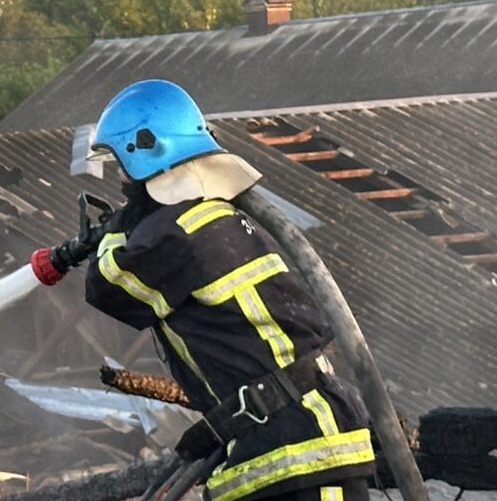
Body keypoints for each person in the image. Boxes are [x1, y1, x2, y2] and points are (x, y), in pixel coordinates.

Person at [78, 80, 374, 501]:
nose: (121, 179)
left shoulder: (179, 230)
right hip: (286, 436)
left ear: (145, 152)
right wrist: (219, 425)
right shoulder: (211, 217)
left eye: (120, 165)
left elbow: (108, 285)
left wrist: (113, 231)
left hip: (301, 448)